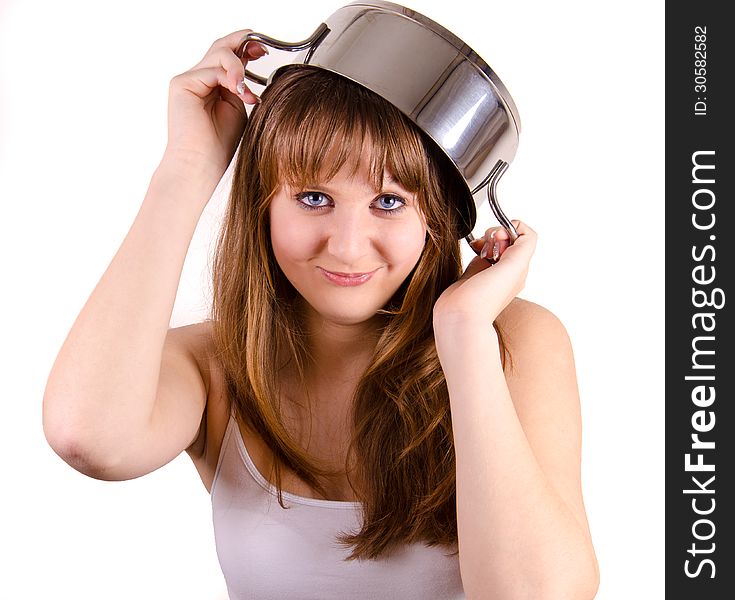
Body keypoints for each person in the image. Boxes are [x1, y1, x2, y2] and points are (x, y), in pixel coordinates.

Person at [43, 28, 599, 599]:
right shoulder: (218, 365)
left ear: (435, 216)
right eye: (314, 198)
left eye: (389, 202)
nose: (348, 246)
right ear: (264, 200)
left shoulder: (510, 343)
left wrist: (463, 334)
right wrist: (185, 171)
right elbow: (88, 437)